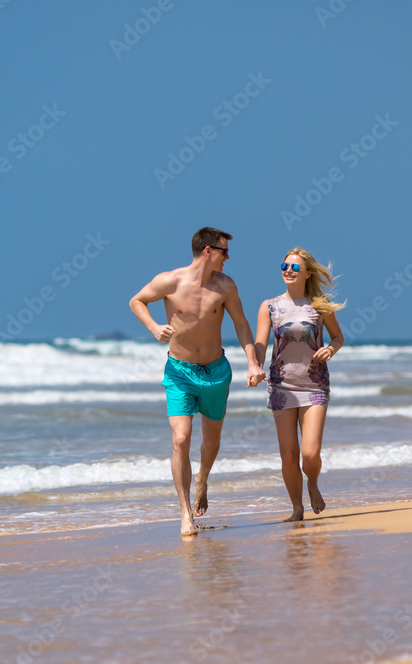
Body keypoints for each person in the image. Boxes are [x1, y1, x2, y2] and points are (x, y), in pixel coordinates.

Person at [129, 227, 265, 536]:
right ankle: (185, 513)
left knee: (211, 441)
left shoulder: (225, 286)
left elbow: (241, 324)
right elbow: (136, 301)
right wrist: (153, 327)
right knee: (180, 439)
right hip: (179, 371)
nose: (228, 257)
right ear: (208, 251)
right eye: (224, 251)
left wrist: (254, 363)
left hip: (216, 372)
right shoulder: (170, 281)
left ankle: (203, 477)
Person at [254, 247, 344, 522]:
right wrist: (255, 366)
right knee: (289, 456)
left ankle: (313, 483)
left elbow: (338, 337)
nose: (288, 271)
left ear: (307, 273)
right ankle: (296, 508)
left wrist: (330, 349)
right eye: (284, 267)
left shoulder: (319, 304)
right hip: (281, 386)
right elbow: (260, 344)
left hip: (314, 385)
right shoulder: (269, 306)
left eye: (294, 268)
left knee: (310, 453)